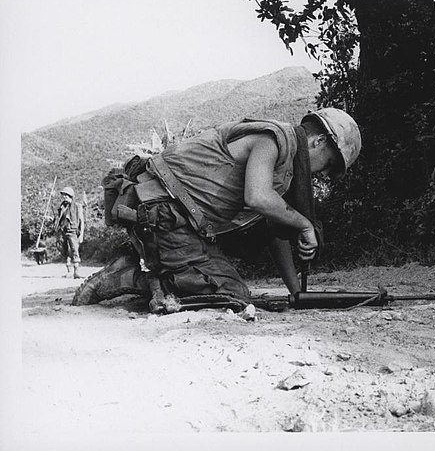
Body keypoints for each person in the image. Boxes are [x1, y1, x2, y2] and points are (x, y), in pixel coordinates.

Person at [73, 108, 361, 312]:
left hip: (174, 219)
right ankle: (128, 277)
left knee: (229, 287)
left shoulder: (283, 169)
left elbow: (272, 232)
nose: (324, 172)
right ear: (319, 141)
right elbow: (258, 198)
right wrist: (304, 225)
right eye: (330, 163)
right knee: (231, 294)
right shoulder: (275, 140)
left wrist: (296, 292)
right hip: (162, 211)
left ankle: (147, 267)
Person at [54, 186, 85, 278]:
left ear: (71, 196)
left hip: (73, 231)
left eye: (66, 196)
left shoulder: (77, 206)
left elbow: (82, 221)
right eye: (63, 196)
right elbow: (58, 220)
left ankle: (76, 272)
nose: (64, 197)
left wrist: (81, 235)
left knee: (74, 250)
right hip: (62, 232)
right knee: (65, 251)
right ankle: (68, 272)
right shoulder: (62, 207)